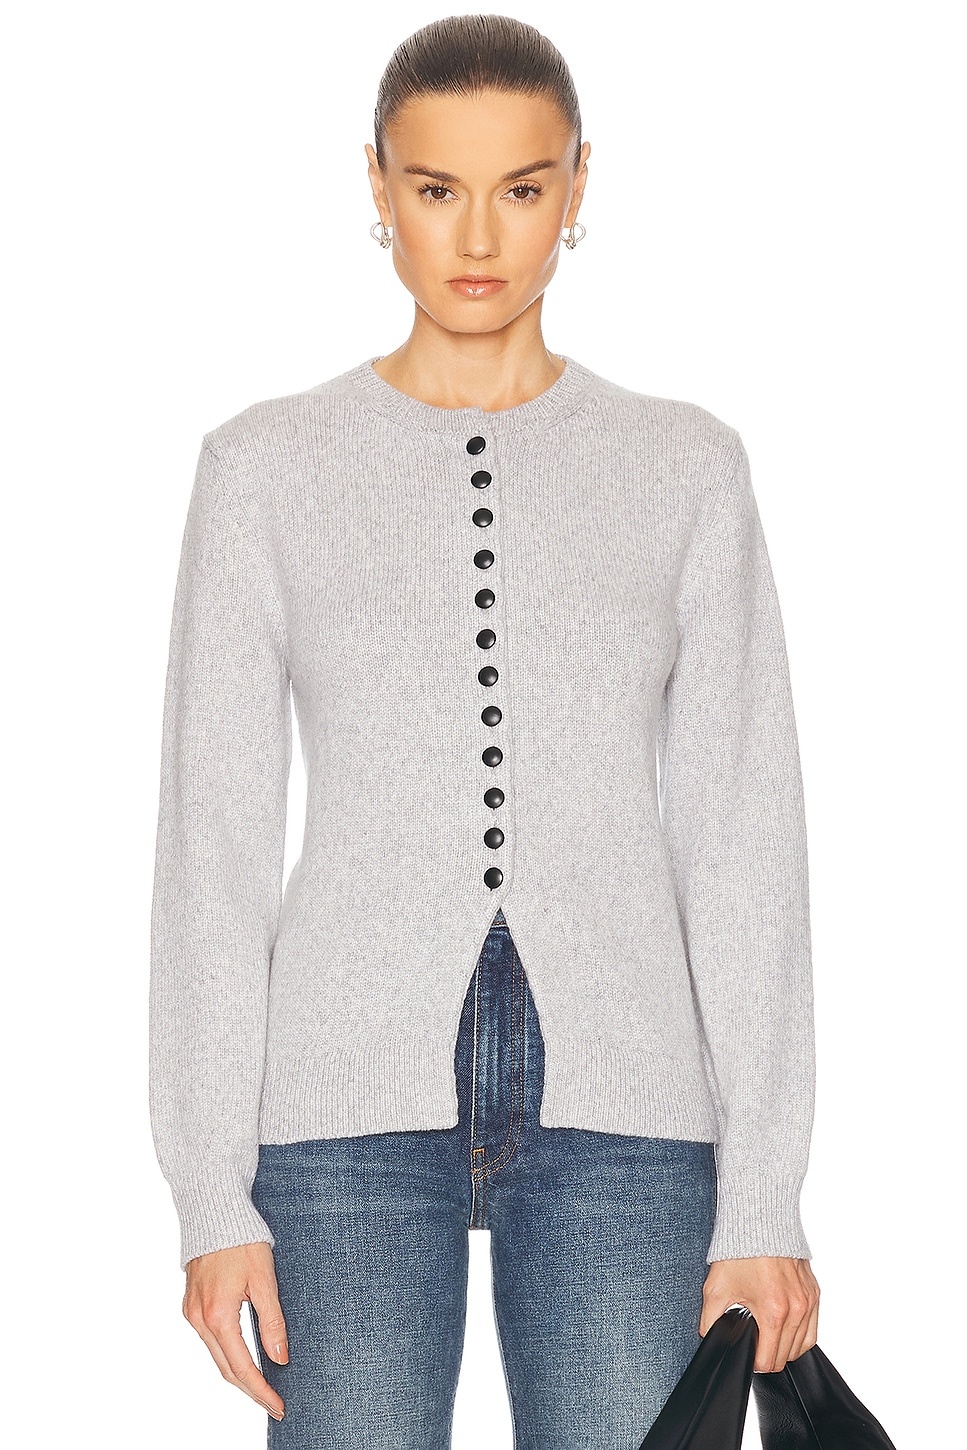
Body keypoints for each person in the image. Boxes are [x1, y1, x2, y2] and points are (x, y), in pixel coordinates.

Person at [148, 13, 821, 1447]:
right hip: (338, 1113)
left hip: (631, 1115)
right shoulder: (263, 471)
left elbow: (743, 840)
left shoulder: (686, 468)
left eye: (520, 187)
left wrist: (764, 1197)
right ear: (377, 186)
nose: (476, 235)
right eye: (435, 187)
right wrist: (210, 1193)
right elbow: (213, 850)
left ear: (578, 186)